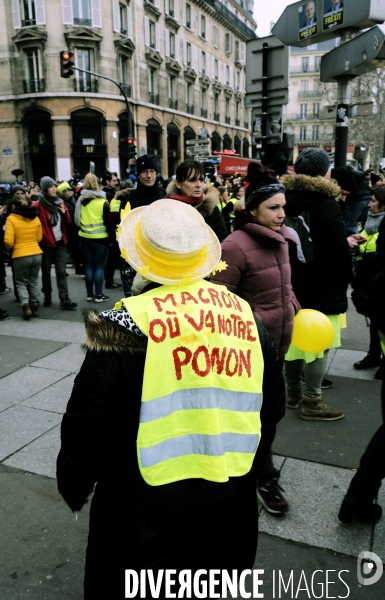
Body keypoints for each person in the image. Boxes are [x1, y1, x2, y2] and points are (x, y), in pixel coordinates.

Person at [56, 199, 285, 598]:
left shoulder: (118, 321)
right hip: (228, 491)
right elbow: (272, 404)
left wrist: (75, 484)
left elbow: (87, 419)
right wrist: (257, 461)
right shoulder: (246, 316)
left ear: (139, 259)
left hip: (139, 500)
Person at [211, 164, 301, 514]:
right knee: (253, 416)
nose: (281, 214)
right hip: (246, 352)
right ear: (253, 210)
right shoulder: (234, 246)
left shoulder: (280, 239)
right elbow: (217, 301)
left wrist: (293, 306)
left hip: (276, 346)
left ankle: (255, 469)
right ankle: (262, 476)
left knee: (270, 414)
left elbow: (284, 285)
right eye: (273, 208)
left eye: (283, 207)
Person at [281, 148, 352, 420]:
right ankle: (313, 401)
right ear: (324, 172)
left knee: (294, 341)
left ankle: (292, 392)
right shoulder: (326, 202)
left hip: (291, 282)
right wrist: (348, 276)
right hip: (322, 285)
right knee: (317, 343)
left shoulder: (283, 198)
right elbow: (337, 251)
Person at [351, 185, 385, 379]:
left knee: (382, 323)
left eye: (373, 200)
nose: (369, 204)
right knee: (375, 321)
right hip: (368, 279)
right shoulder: (371, 222)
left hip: (379, 279)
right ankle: (373, 355)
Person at [32, 176, 77, 310]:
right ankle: (47, 295)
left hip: (60, 242)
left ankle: (64, 298)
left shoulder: (60, 202)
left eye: (54, 186)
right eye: (51, 186)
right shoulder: (38, 204)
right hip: (45, 243)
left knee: (61, 271)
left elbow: (68, 223)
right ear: (45, 189)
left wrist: (64, 213)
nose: (54, 188)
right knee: (46, 272)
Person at [165, 160, 228, 242]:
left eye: (201, 180)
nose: (198, 185)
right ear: (179, 184)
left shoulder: (211, 208)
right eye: (192, 180)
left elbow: (222, 240)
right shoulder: (166, 207)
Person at [3, 196, 42, 319]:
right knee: (33, 281)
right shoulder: (35, 218)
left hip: (20, 254)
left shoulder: (11, 218)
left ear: (14, 206)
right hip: (36, 253)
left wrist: (10, 249)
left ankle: (26, 306)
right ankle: (35, 306)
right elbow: (39, 237)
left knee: (21, 282)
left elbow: (8, 240)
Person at [75, 173, 110, 303]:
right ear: (97, 184)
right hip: (101, 239)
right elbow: (108, 222)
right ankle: (99, 295)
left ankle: (90, 295)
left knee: (89, 267)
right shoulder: (102, 203)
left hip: (84, 238)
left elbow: (76, 220)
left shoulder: (81, 201)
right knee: (99, 268)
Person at [57, 181, 84, 275]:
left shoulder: (73, 200)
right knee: (70, 250)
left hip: (75, 228)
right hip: (67, 229)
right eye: (67, 191)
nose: (70, 192)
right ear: (63, 193)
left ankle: (79, 266)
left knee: (76, 249)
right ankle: (65, 268)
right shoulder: (61, 202)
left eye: (70, 191)